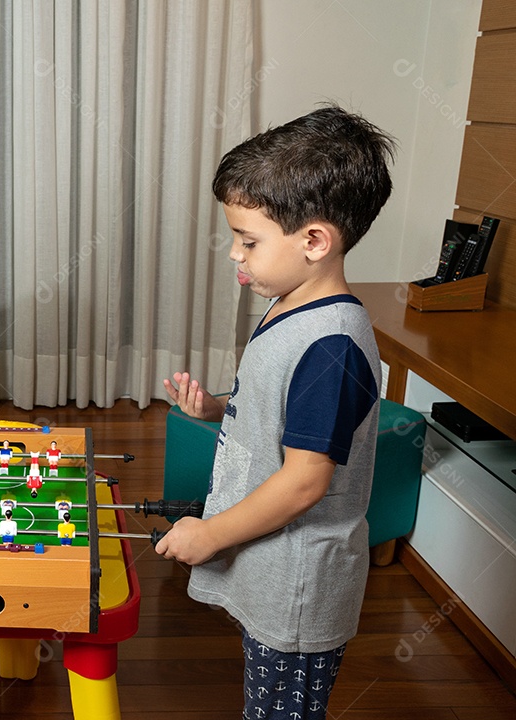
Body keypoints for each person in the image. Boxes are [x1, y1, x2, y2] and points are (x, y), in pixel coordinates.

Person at [156, 105, 395, 719]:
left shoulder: (333, 343)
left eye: (249, 240)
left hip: (299, 587)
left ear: (315, 240)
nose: (235, 254)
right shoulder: (294, 305)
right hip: (270, 569)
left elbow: (305, 480)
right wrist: (215, 409)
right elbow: (282, 412)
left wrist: (209, 533)